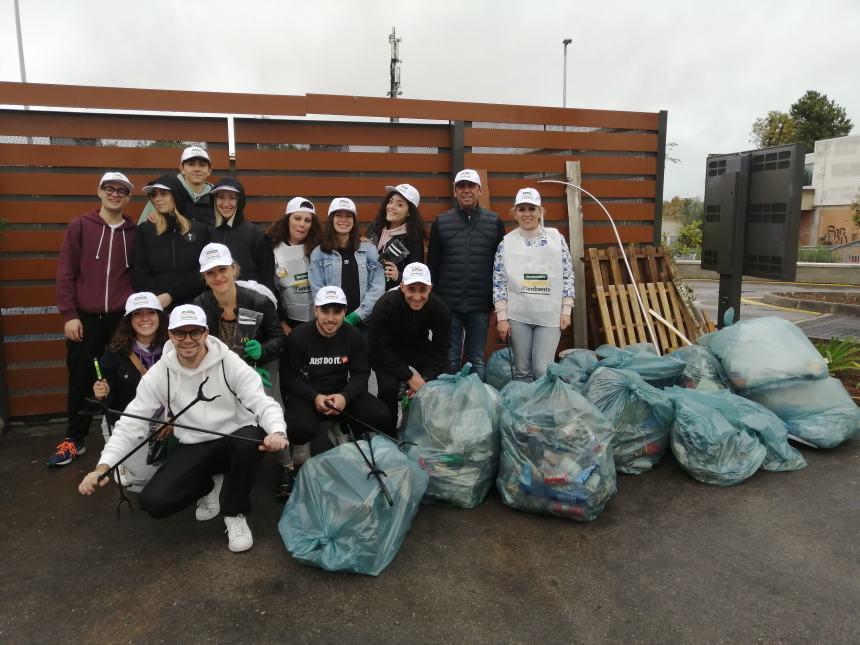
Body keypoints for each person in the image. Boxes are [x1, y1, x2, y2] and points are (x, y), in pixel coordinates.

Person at [78, 304, 288, 553]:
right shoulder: (160, 373)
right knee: (153, 503)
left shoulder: (228, 361)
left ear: (206, 333)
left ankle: (235, 513)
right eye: (180, 333)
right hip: (192, 444)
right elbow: (130, 423)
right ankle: (208, 484)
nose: (188, 340)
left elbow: (262, 403)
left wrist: (277, 431)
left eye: (195, 332)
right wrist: (104, 466)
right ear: (170, 335)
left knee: (250, 439)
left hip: (233, 437)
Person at [48, 172, 137, 467]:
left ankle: (122, 437)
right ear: (99, 192)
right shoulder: (80, 227)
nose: (114, 194)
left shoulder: (134, 232)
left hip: (120, 320)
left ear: (128, 197)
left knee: (121, 377)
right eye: (109, 189)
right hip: (86, 318)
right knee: (82, 377)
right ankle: (74, 439)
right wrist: (69, 315)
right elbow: (66, 274)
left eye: (121, 190)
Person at [282, 286, 393, 456]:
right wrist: (315, 397)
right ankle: (300, 443)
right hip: (309, 397)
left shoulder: (354, 336)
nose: (331, 319)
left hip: (341, 395)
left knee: (380, 415)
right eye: (325, 311)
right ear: (315, 310)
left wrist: (344, 396)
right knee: (299, 428)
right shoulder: (298, 337)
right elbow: (290, 378)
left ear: (345, 311)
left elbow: (361, 374)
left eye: (337, 312)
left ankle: (341, 428)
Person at [427, 169, 505, 380]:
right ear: (455, 191)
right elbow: (432, 265)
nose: (466, 190)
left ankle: (476, 405)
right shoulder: (441, 222)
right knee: (451, 358)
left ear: (480, 190)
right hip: (448, 305)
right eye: (461, 186)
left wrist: (498, 305)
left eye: (471, 186)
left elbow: (501, 267)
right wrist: (434, 302)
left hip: (480, 305)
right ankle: (453, 405)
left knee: (477, 359)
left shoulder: (494, 222)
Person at [493, 188, 574, 382]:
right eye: (521, 209)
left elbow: (567, 274)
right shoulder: (506, 243)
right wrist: (502, 317)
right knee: (522, 370)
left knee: (542, 369)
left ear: (540, 212)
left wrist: (566, 310)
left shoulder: (556, 239)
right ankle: (525, 409)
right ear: (515, 213)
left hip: (549, 315)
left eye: (532, 208)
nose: (527, 214)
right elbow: (499, 281)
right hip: (519, 316)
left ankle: (544, 408)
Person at [92, 291, 169, 489]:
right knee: (144, 480)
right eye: (138, 313)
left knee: (174, 471)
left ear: (159, 317)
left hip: (166, 419)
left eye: (151, 312)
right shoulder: (115, 352)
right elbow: (110, 403)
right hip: (129, 422)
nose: (145, 318)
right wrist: (103, 393)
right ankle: (121, 461)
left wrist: (173, 419)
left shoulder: (175, 347)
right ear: (129, 320)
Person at [192, 243, 284, 391]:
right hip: (218, 368)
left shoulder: (259, 301)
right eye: (210, 273)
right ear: (205, 278)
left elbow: (278, 337)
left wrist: (263, 350)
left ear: (234, 269)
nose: (218, 277)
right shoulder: (200, 305)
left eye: (223, 269)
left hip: (260, 365)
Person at [368, 263, 450, 423]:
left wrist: (425, 378)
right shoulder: (384, 306)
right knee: (388, 389)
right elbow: (378, 347)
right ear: (402, 287)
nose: (417, 296)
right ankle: (388, 432)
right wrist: (410, 377)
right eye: (412, 289)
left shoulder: (440, 308)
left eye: (423, 290)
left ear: (430, 289)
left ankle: (430, 427)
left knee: (438, 381)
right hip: (388, 350)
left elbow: (441, 348)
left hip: (418, 346)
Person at [133, 174, 209, 309]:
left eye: (163, 194)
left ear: (177, 195)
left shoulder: (200, 230)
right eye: (154, 195)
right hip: (156, 307)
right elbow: (140, 272)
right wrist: (155, 300)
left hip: (194, 306)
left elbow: (204, 271)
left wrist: (171, 295)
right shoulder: (145, 230)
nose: (157, 199)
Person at [309, 197, 384, 328]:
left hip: (365, 324)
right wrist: (334, 317)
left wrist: (358, 315)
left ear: (354, 221)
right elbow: (318, 290)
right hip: (332, 325)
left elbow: (378, 287)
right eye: (338, 215)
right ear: (331, 219)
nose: (343, 220)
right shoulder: (318, 253)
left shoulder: (369, 250)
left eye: (348, 216)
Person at [208, 177, 275, 293]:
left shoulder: (256, 235)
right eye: (220, 197)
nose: (225, 203)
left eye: (232, 198)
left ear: (240, 201)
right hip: (216, 305)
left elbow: (267, 279)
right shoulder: (207, 233)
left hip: (250, 305)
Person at [269, 196, 321, 334]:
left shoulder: (319, 248)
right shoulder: (272, 248)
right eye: (297, 218)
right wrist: (282, 323)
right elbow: (270, 290)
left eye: (307, 220)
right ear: (287, 220)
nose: (302, 224)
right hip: (287, 322)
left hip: (319, 321)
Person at [365, 183, 425, 290]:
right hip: (366, 292)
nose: (391, 207)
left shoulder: (413, 239)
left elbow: (417, 276)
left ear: (409, 212)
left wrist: (398, 276)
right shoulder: (375, 227)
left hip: (391, 298)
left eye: (399, 204)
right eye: (391, 201)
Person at [138, 145, 214, 225]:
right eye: (191, 164)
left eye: (202, 165)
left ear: (209, 171)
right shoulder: (164, 192)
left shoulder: (215, 197)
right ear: (182, 168)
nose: (197, 169)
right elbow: (142, 228)